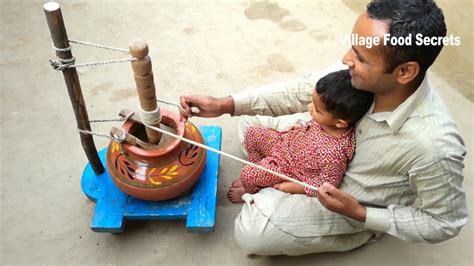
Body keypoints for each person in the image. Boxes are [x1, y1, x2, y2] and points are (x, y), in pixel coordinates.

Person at [180, 0, 468, 256]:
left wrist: (361, 213)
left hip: (343, 197)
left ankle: (354, 231)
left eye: (360, 57)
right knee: (248, 122)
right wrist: (226, 104)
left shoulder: (435, 146)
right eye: (352, 46)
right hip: (317, 141)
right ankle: (275, 184)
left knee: (251, 233)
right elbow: (304, 90)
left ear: (405, 71)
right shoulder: (363, 73)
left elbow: (443, 222)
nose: (346, 59)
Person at [227, 70, 374, 203]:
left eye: (317, 109)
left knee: (247, 174)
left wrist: (296, 187)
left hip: (289, 169)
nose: (309, 107)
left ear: (340, 123)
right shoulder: (329, 122)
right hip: (285, 144)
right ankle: (262, 173)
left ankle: (252, 190)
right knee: (252, 133)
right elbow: (310, 127)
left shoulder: (334, 155)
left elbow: (326, 185)